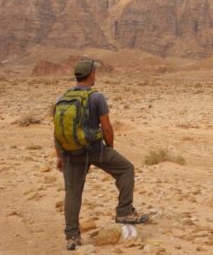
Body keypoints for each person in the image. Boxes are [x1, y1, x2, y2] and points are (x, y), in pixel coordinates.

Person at [55, 58, 148, 250]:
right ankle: (124, 212)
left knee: (72, 193)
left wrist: (59, 156)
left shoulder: (62, 98)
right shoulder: (96, 97)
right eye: (95, 72)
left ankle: (72, 237)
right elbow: (106, 127)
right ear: (91, 75)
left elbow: (57, 131)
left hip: (70, 153)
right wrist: (110, 148)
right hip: (95, 150)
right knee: (126, 169)